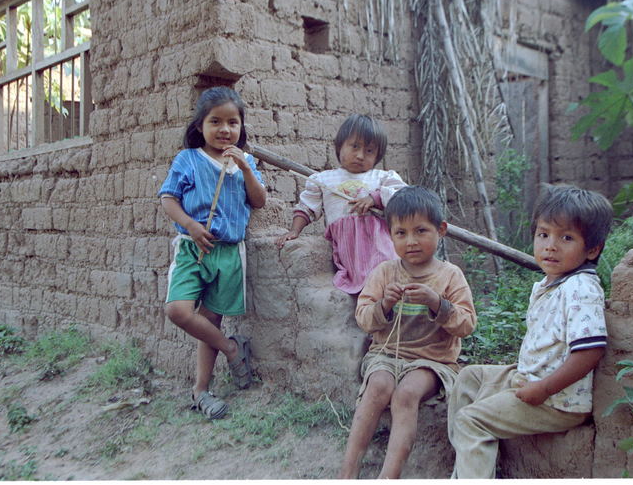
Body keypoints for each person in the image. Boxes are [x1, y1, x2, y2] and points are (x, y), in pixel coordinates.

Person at [447, 183, 614, 478]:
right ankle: (467, 469)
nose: (550, 245)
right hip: (528, 378)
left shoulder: (580, 289)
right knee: (469, 377)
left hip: (558, 401)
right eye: (543, 234)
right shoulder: (552, 283)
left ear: (592, 249)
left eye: (566, 237)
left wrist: (543, 389)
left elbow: (589, 352)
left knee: (472, 420)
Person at [338, 185, 476, 479]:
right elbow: (364, 318)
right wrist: (384, 304)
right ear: (390, 235)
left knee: (406, 394)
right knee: (377, 388)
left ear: (441, 230)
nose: (411, 241)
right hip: (385, 355)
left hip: (432, 361)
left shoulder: (450, 275)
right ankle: (347, 473)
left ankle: (389, 476)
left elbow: (466, 324)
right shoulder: (385, 273)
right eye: (401, 233)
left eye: (421, 231)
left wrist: (437, 303)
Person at [158, 86, 267, 420]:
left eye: (232, 122)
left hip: (229, 252)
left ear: (241, 127)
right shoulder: (188, 160)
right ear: (200, 126)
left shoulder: (244, 162)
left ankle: (201, 391)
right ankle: (233, 349)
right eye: (215, 121)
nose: (224, 129)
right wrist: (190, 225)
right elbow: (168, 198)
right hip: (195, 249)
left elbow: (259, 201)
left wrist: (247, 169)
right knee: (178, 310)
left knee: (211, 321)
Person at [275, 114, 406, 295]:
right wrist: (295, 230)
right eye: (354, 146)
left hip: (379, 240)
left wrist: (375, 198)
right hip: (348, 245)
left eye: (369, 151)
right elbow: (307, 207)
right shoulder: (323, 179)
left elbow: (403, 198)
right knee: (362, 284)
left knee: (386, 274)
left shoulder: (382, 178)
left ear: (378, 156)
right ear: (340, 146)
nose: (360, 155)